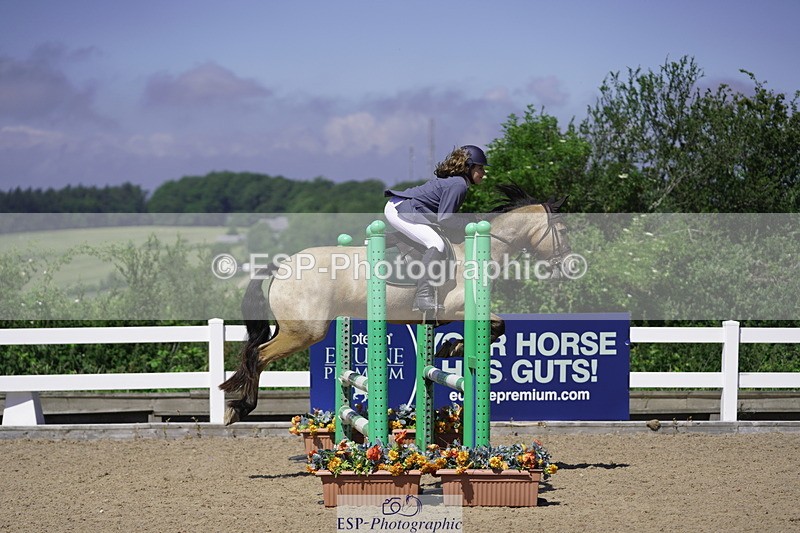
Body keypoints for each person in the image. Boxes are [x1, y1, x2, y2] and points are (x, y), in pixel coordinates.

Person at [384, 144, 488, 312]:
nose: (483, 173)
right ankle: (423, 296)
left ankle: (385, 240)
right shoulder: (459, 185)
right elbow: (445, 219)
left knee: (429, 236)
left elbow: (444, 218)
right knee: (436, 243)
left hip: (405, 207)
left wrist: (468, 219)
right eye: (480, 168)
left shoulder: (458, 183)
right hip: (401, 209)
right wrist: (471, 224)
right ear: (468, 167)